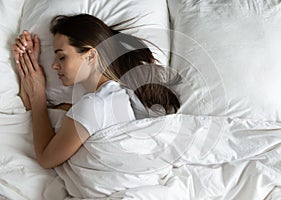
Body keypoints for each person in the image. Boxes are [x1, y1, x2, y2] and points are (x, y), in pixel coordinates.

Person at [12, 14, 181, 169]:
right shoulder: (116, 94)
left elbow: (46, 159)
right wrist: (27, 63)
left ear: (91, 56)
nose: (54, 65)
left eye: (62, 57)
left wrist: (39, 96)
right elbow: (36, 114)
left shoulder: (93, 105)